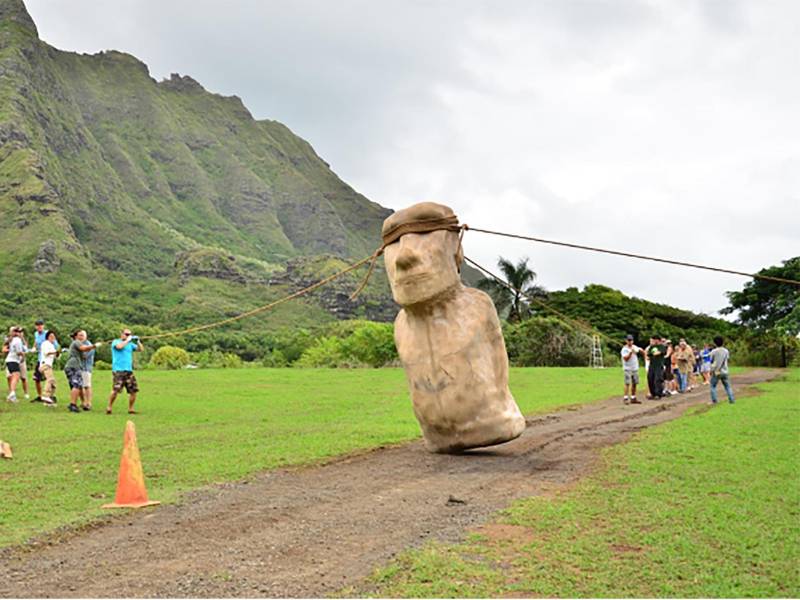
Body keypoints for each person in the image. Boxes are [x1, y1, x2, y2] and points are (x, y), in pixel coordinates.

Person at [64, 330, 101, 413]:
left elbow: (84, 354)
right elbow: (83, 349)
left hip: (74, 366)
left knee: (76, 386)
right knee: (77, 385)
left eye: (82, 335)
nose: (80, 337)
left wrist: (91, 347)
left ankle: (75, 404)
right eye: (79, 335)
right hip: (74, 366)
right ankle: (73, 404)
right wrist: (94, 346)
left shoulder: (78, 343)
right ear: (76, 337)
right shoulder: (77, 342)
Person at [107, 329, 142, 415]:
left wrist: (138, 342)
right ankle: (109, 407)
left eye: (129, 334)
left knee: (133, 390)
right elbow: (119, 347)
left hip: (129, 370)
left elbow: (140, 349)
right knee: (115, 390)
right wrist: (127, 340)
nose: (127, 335)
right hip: (118, 370)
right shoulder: (116, 342)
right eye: (126, 334)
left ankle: (131, 408)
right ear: (121, 334)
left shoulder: (130, 344)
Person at [709, 336, 735, 404]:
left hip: (716, 371)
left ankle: (715, 401)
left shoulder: (713, 351)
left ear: (715, 343)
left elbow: (711, 361)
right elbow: (727, 359)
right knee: (727, 386)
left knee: (713, 386)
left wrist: (711, 370)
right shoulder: (726, 351)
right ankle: (731, 400)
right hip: (725, 370)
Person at [4, 326, 26, 403]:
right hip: (13, 360)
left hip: (11, 360)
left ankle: (11, 394)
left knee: (15, 376)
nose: (20, 333)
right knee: (16, 376)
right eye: (18, 332)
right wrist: (23, 354)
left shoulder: (13, 339)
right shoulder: (17, 340)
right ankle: (12, 395)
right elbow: (18, 352)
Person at [621, 334, 644, 404]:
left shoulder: (634, 347)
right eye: (628, 340)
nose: (630, 342)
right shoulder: (624, 349)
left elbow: (642, 351)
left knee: (635, 383)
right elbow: (626, 359)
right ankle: (625, 398)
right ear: (626, 341)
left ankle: (633, 397)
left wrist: (639, 350)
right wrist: (630, 353)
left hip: (635, 368)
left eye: (631, 340)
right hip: (627, 368)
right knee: (627, 383)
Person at [38, 330, 59, 406]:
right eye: (51, 336)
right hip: (45, 364)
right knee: (50, 380)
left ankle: (49, 400)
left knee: (53, 384)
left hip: (49, 365)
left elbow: (56, 356)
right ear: (47, 337)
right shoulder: (45, 343)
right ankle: (45, 395)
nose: (53, 338)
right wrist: (55, 352)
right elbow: (46, 353)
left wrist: (57, 353)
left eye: (54, 337)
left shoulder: (52, 345)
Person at [645, 335, 668, 399]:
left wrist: (657, 353)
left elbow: (662, 352)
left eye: (655, 339)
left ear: (658, 340)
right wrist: (654, 353)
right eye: (653, 339)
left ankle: (658, 394)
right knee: (650, 379)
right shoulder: (651, 347)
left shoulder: (662, 346)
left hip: (659, 365)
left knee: (657, 380)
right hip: (652, 365)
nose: (654, 341)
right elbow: (648, 354)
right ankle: (653, 393)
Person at [80, 337, 96, 411]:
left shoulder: (89, 345)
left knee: (87, 386)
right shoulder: (79, 344)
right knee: (80, 386)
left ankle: (88, 403)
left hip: (85, 368)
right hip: (79, 367)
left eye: (82, 335)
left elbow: (85, 356)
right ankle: (83, 402)